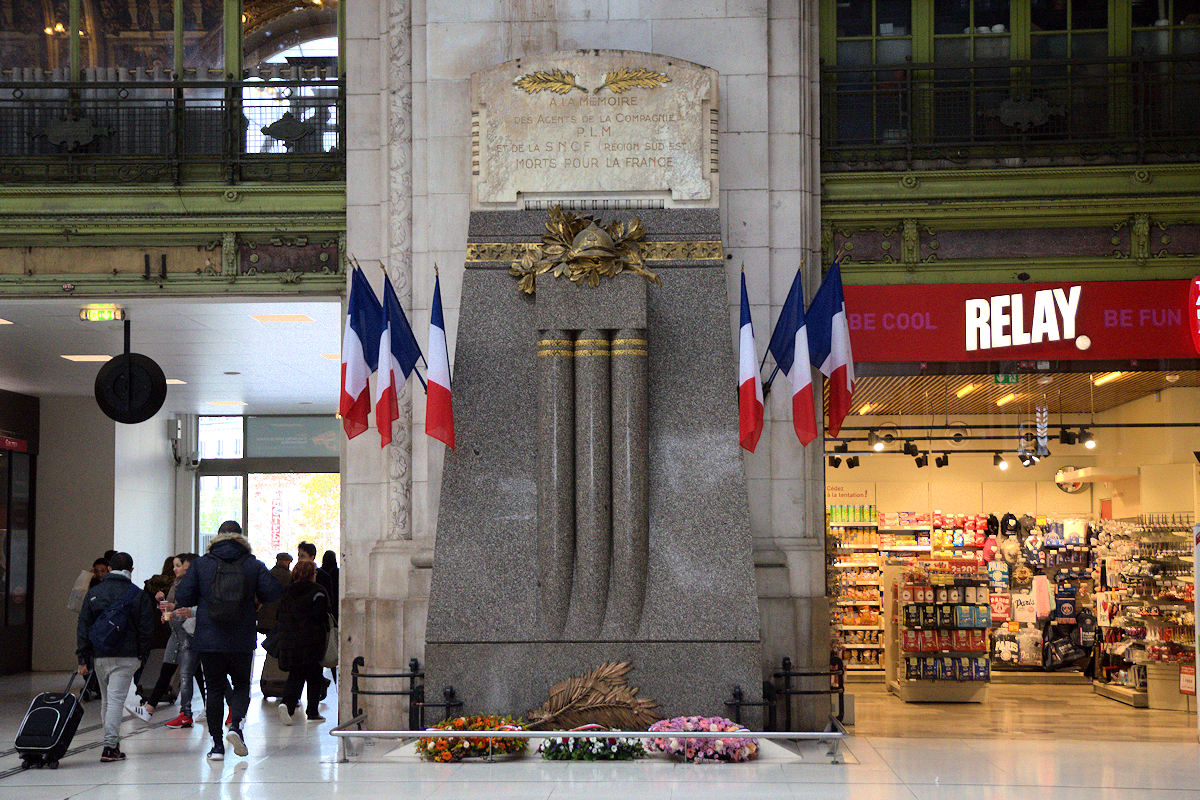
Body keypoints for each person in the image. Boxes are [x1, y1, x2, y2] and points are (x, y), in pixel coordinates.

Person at [176, 521, 282, 761]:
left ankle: (216, 746)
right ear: (240, 537)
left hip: (208, 639)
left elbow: (183, 596)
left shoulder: (202, 564)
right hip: (241, 637)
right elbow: (274, 592)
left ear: (218, 537)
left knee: (214, 689)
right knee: (242, 684)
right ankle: (235, 726)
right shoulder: (251, 564)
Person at [75, 552, 155, 763]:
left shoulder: (95, 593)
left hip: (100, 655)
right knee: (116, 700)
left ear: (109, 568)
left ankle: (111, 742)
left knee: (108, 700)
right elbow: (147, 629)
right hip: (128, 656)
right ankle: (110, 746)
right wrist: (142, 655)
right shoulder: (138, 594)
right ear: (131, 570)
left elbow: (83, 626)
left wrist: (82, 657)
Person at [136, 553, 207, 728]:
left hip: (188, 635)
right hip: (176, 634)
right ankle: (152, 708)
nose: (174, 569)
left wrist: (172, 611)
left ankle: (195, 711)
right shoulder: (177, 584)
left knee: (192, 674)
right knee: (172, 672)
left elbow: (188, 608)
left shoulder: (193, 585)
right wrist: (167, 611)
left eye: (178, 565)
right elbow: (174, 607)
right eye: (174, 565)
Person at [275, 559, 330, 724]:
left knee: (295, 675)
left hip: (290, 640)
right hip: (312, 641)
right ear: (312, 574)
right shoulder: (318, 591)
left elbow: (279, 615)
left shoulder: (287, 591)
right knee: (314, 675)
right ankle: (312, 711)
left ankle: (287, 704)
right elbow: (320, 615)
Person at [257, 553, 293, 635]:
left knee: (269, 641)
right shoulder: (289, 576)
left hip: (265, 617)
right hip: (279, 617)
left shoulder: (268, 574)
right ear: (285, 562)